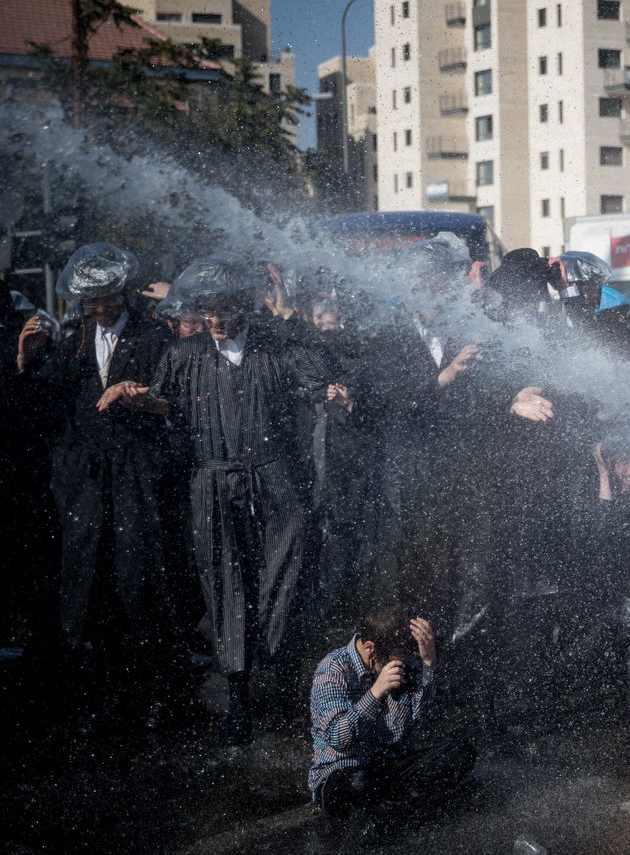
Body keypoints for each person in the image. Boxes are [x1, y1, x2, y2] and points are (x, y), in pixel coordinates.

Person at [102, 254, 346, 744]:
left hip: (274, 476)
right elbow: (164, 403)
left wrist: (331, 390)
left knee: (290, 558)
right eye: (206, 312)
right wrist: (133, 396)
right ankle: (237, 694)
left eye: (224, 312)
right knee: (224, 578)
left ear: (243, 308)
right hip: (212, 479)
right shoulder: (184, 355)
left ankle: (274, 668)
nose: (214, 321)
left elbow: (318, 376)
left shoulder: (276, 346)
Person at [19, 244, 177, 734]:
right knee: (89, 578)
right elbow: (43, 409)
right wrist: (25, 359)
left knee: (141, 576)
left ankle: (154, 690)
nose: (103, 309)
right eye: (93, 302)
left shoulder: (153, 335)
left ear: (123, 292)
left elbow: (175, 400)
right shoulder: (71, 339)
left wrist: (142, 400)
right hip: (86, 481)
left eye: (109, 299)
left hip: (137, 474)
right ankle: (102, 689)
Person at [309, 607, 474, 832]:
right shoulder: (332, 669)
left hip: (391, 766)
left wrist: (429, 663)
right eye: (397, 664)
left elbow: (426, 718)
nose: (403, 669)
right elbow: (338, 738)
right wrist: (375, 693)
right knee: (357, 782)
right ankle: (398, 811)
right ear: (370, 649)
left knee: (460, 752)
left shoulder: (404, 662)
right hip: (345, 770)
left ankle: (390, 814)